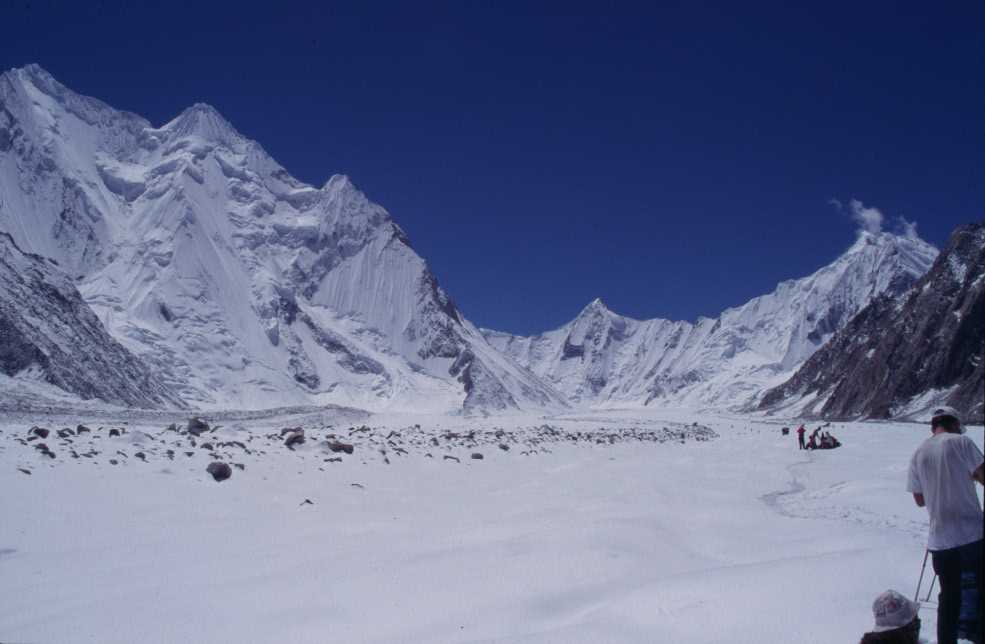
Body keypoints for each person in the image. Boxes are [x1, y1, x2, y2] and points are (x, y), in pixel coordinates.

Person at [907, 406, 984, 644]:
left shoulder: (918, 453)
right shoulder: (962, 443)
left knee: (948, 598)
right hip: (971, 535)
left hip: (940, 541)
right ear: (954, 424)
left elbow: (919, 499)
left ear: (933, 427)